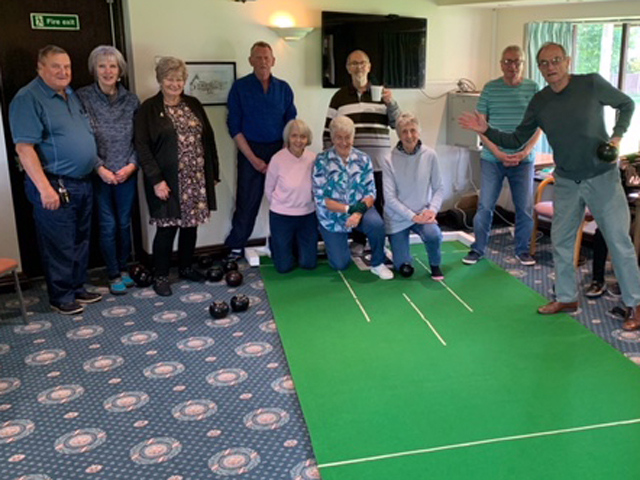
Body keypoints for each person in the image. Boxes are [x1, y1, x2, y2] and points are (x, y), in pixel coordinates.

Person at [459, 42, 640, 330]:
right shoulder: (540, 102)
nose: (551, 67)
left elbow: (626, 104)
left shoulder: (591, 83)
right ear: (539, 68)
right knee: (562, 242)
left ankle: (636, 305)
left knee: (619, 242)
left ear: (567, 61)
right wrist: (486, 131)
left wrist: (617, 138)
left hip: (602, 176)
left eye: (556, 60)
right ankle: (567, 297)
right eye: (544, 63)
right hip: (567, 180)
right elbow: (516, 137)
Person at [9, 45, 102, 315]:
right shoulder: (28, 98)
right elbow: (24, 149)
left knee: (80, 240)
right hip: (53, 184)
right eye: (56, 66)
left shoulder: (70, 94)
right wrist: (44, 188)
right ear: (40, 67)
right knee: (58, 243)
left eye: (67, 67)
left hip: (82, 182)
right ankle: (60, 295)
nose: (63, 72)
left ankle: (76, 286)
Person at [135, 57, 220, 297]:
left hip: (195, 178)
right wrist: (156, 180)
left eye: (179, 79)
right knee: (167, 228)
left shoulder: (193, 103)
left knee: (190, 226)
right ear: (160, 80)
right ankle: (160, 275)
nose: (175, 84)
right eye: (169, 79)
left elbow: (209, 139)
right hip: (167, 181)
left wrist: (212, 172)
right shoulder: (148, 109)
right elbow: (142, 147)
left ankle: (185, 267)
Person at [462, 45, 542, 267]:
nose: (512, 66)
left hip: (523, 160)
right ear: (501, 64)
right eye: (507, 61)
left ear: (523, 64)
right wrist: (497, 151)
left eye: (517, 61)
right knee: (485, 205)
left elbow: (539, 126)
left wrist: (526, 151)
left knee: (524, 207)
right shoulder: (490, 89)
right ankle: (477, 249)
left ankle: (522, 250)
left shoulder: (533, 88)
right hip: (492, 159)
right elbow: (481, 126)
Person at [323, 49, 400, 254]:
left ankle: (380, 242)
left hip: (380, 163)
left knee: (382, 203)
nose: (359, 67)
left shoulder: (383, 94)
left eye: (362, 63)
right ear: (348, 68)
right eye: (354, 63)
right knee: (355, 201)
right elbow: (327, 131)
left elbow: (396, 123)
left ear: (369, 66)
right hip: (352, 166)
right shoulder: (339, 97)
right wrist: (331, 164)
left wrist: (391, 102)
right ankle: (358, 240)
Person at [225, 41, 297, 260]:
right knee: (247, 201)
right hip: (250, 151)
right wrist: (253, 159)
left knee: (285, 200)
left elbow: (291, 123)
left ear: (273, 61)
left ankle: (283, 243)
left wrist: (282, 155)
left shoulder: (283, 88)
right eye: (258, 57)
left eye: (266, 57)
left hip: (280, 149)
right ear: (250, 61)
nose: (263, 61)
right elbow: (234, 127)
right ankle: (236, 245)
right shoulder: (240, 88)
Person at [77, 46, 139, 296]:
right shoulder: (81, 97)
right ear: (94, 70)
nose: (107, 71)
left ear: (120, 70)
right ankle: (112, 273)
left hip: (127, 171)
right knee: (108, 225)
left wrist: (132, 165)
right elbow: (80, 137)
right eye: (102, 66)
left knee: (124, 223)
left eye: (112, 66)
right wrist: (99, 167)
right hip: (99, 174)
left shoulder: (132, 100)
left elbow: (140, 139)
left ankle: (123, 268)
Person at [313, 116, 393, 280]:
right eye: (339, 137)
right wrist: (349, 210)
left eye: (347, 137)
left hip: (360, 209)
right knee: (340, 264)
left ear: (353, 137)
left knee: (376, 224)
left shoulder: (363, 159)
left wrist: (357, 213)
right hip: (332, 216)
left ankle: (377, 263)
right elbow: (323, 200)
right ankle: (338, 247)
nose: (343, 142)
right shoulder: (321, 161)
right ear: (333, 138)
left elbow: (371, 193)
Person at [383, 113, 444, 281]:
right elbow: (389, 198)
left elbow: (439, 188)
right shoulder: (388, 159)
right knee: (404, 270)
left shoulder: (430, 155)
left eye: (413, 130)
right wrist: (412, 217)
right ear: (398, 134)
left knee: (434, 235)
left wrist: (432, 211)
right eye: (404, 132)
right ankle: (396, 256)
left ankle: (435, 264)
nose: (409, 136)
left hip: (423, 214)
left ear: (419, 132)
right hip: (397, 218)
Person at [264, 119, 317, 273]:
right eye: (294, 136)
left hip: (307, 216)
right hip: (281, 216)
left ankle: (294, 247)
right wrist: (280, 206)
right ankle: (275, 244)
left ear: (308, 139)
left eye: (303, 137)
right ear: (288, 137)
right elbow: (269, 189)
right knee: (283, 267)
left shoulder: (314, 159)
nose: (298, 141)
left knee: (309, 264)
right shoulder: (277, 159)